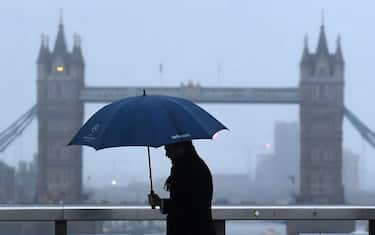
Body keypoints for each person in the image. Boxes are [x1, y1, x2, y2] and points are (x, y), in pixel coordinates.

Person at [148, 140, 216, 235]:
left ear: (180, 148)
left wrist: (160, 202)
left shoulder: (187, 170)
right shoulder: (194, 166)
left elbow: (185, 206)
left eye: (168, 149)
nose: (167, 154)